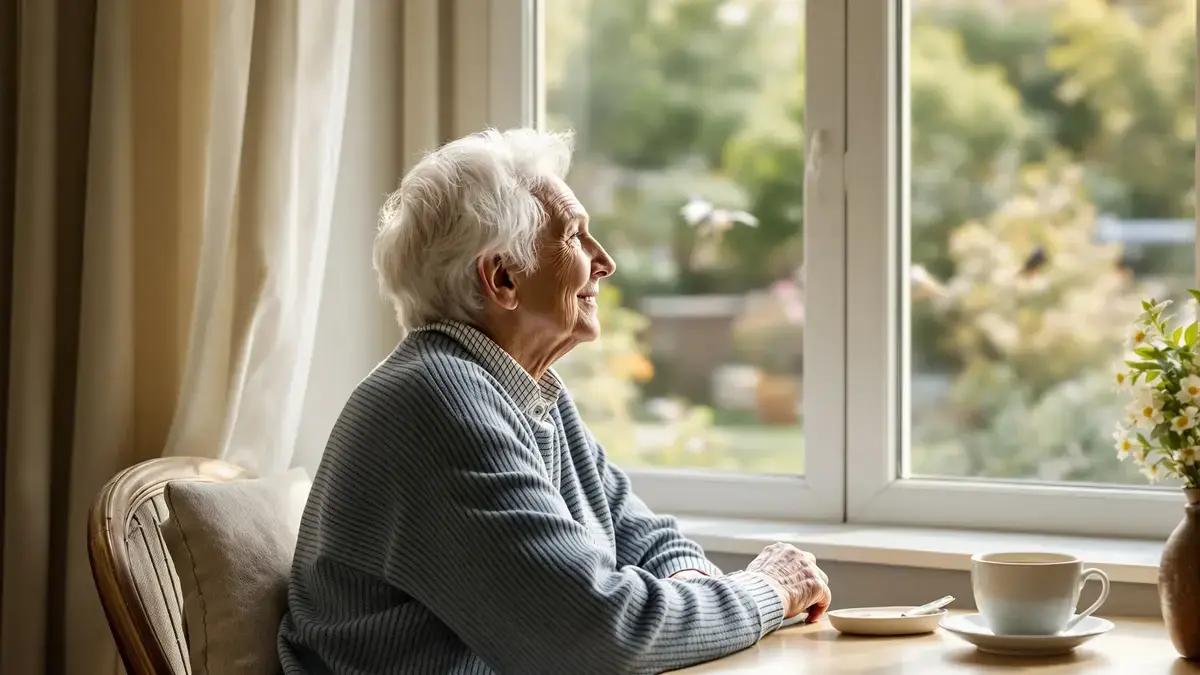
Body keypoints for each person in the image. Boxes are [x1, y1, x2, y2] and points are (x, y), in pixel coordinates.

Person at [277, 128, 832, 675]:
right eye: (574, 237)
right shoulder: (436, 402)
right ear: (502, 278)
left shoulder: (523, 391)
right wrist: (765, 591)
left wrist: (688, 589)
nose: (605, 261)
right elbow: (597, 636)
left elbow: (645, 537)